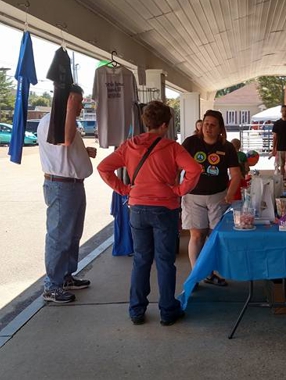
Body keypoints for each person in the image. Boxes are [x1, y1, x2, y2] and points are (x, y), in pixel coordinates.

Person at [97, 101, 201, 326]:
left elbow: (103, 168)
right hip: (165, 208)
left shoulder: (129, 146)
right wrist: (179, 190)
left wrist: (125, 189)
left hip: (137, 208)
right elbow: (194, 169)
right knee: (164, 260)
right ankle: (167, 311)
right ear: (164, 125)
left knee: (141, 260)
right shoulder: (172, 147)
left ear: (146, 122)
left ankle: (136, 310)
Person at [38, 85, 97, 304]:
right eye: (79, 102)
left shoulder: (65, 120)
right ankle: (51, 286)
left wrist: (85, 152)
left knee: (72, 235)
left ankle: (65, 277)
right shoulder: (53, 120)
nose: (81, 106)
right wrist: (70, 106)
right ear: (68, 99)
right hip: (61, 187)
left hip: (72, 185)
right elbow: (66, 140)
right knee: (59, 237)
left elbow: (66, 149)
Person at [181, 110, 241, 286]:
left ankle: (212, 272)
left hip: (218, 197)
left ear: (220, 128)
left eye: (213, 124)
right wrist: (176, 189)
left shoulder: (227, 147)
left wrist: (229, 196)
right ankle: (196, 275)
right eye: (206, 123)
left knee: (215, 236)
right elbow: (176, 166)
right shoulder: (190, 143)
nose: (208, 127)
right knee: (197, 235)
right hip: (193, 196)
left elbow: (236, 174)